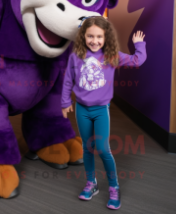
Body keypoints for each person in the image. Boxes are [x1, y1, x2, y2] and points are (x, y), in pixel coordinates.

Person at [61, 16, 146, 210]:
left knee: (102, 148)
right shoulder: (76, 56)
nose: (94, 40)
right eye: (90, 36)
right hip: (82, 109)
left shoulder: (111, 55)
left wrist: (139, 45)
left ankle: (114, 187)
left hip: (101, 110)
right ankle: (91, 184)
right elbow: (68, 80)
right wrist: (65, 101)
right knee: (87, 148)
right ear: (83, 36)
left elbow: (137, 60)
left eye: (99, 37)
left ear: (106, 37)